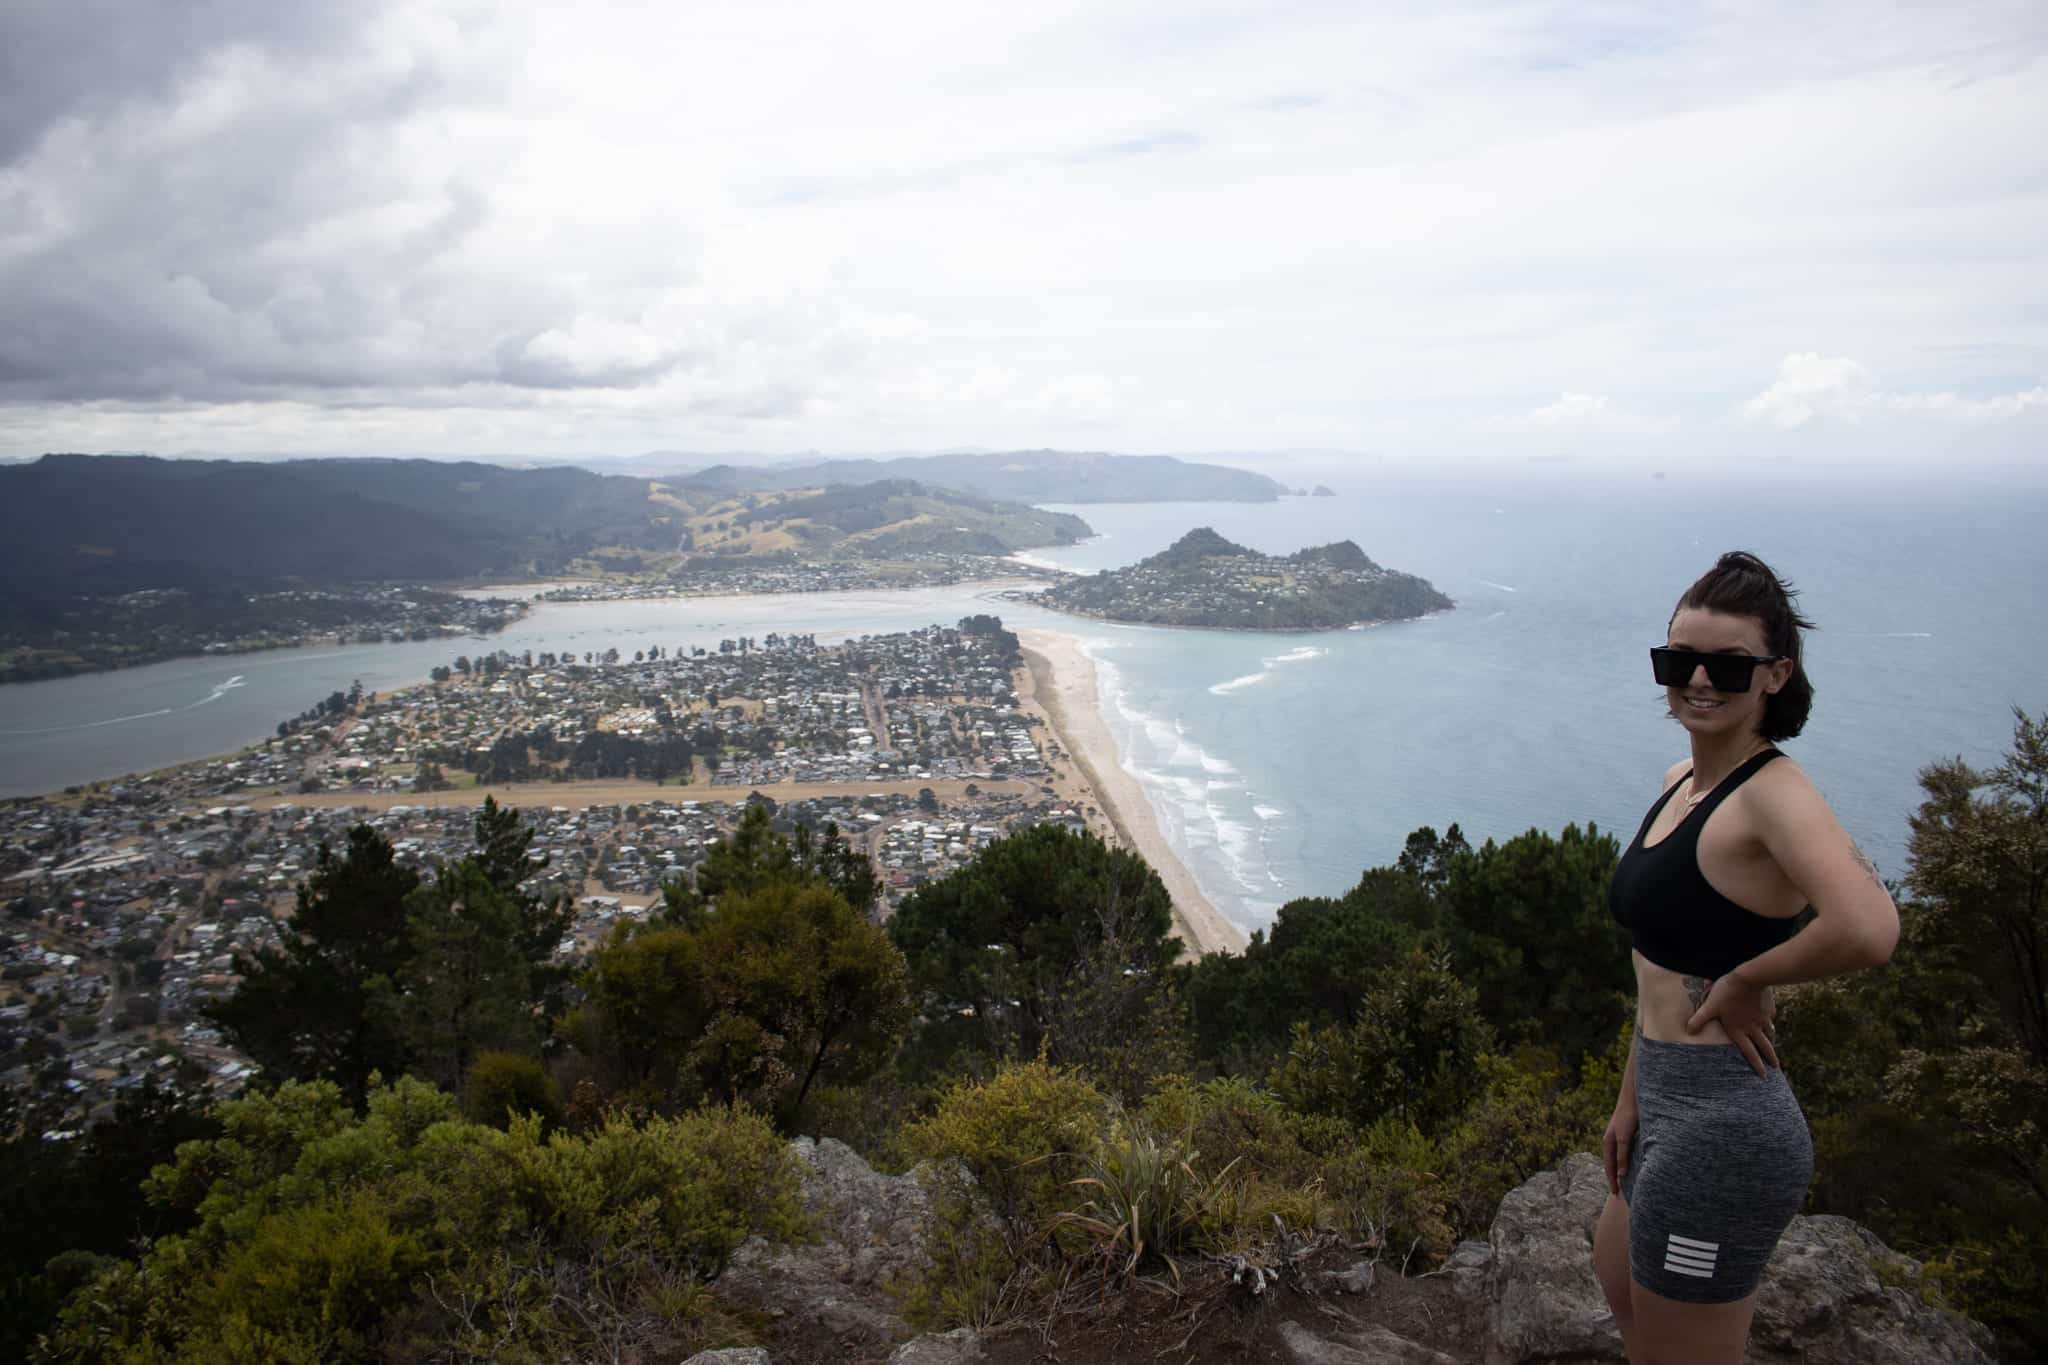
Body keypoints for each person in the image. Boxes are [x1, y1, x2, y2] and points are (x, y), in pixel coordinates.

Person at [1594, 551, 1899, 1364]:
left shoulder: (1773, 792)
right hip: (1664, 1097)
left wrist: (1748, 975)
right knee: (1618, 1276)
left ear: (1775, 674)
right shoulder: (1678, 781)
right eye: (1677, 660)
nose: (1697, 679)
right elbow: (1658, 963)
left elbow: (1871, 927)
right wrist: (1633, 1098)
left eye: (1726, 664)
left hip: (1726, 1127)